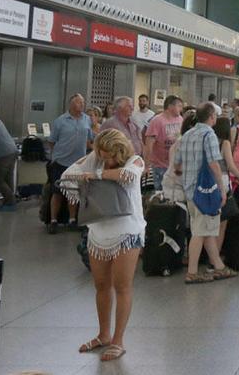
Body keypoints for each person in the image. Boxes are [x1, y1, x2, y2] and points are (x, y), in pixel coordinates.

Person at [64, 130, 144, 362]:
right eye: (101, 154)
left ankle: (118, 340)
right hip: (98, 230)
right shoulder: (95, 158)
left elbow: (128, 175)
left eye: (108, 155)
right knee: (101, 285)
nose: (104, 159)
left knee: (122, 286)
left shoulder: (135, 160)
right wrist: (89, 162)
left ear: (119, 151)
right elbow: (69, 174)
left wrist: (95, 174)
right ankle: (103, 334)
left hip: (127, 231)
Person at [174, 103, 237, 284]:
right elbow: (214, 164)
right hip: (206, 191)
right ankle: (192, 272)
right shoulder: (209, 134)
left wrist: (182, 172)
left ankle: (219, 267)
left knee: (205, 229)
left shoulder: (187, 134)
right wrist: (221, 189)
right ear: (211, 117)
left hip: (190, 190)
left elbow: (177, 163)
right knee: (200, 232)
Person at [46, 93, 93, 233]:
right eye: (79, 102)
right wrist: (58, 155)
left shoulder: (87, 119)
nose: (82, 105)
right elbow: (51, 141)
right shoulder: (60, 121)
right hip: (61, 162)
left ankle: (72, 219)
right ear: (71, 104)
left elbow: (89, 140)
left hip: (78, 163)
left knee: (73, 191)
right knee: (57, 191)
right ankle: (53, 220)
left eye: (83, 102)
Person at [213, 117, 239, 251]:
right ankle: (215, 257)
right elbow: (230, 165)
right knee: (222, 223)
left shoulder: (209, 141)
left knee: (210, 223)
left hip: (208, 182)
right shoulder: (224, 143)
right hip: (223, 182)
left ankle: (207, 254)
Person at [144, 95, 183, 190]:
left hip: (175, 164)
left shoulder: (180, 119)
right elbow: (149, 145)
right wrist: (147, 165)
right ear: (170, 106)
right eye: (179, 106)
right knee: (161, 192)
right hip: (160, 165)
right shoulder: (157, 121)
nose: (181, 109)